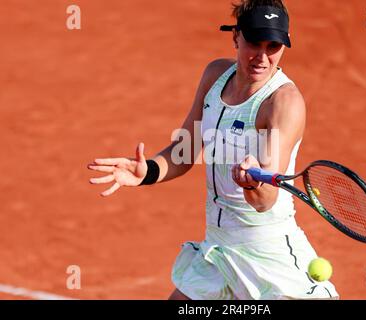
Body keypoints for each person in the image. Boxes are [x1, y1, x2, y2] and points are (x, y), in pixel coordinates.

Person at [88, 0, 339, 300]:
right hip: (218, 250)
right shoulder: (216, 76)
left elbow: (265, 201)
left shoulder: (283, 103)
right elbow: (185, 150)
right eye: (253, 43)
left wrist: (253, 184)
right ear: (236, 36)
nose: (262, 57)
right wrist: (148, 172)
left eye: (273, 46)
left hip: (268, 256)